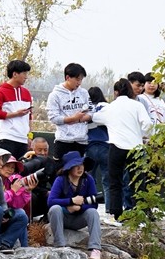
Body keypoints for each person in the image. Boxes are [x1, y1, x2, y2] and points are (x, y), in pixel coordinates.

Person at [97, 78, 153, 219]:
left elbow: (95, 118)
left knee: (115, 182)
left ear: (116, 92)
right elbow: (148, 125)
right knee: (138, 183)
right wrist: (142, 134)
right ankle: (140, 215)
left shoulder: (109, 108)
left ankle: (117, 215)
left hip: (116, 147)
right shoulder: (137, 106)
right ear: (129, 90)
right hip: (136, 148)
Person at [47, 150, 103, 259]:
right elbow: (51, 201)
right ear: (68, 168)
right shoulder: (60, 180)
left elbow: (94, 204)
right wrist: (70, 202)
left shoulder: (88, 179)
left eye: (81, 165)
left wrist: (80, 207)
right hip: (63, 218)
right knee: (55, 209)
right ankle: (60, 245)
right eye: (75, 166)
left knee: (93, 213)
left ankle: (95, 248)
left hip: (79, 219)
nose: (80, 168)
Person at [47, 63, 93, 165]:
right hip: (63, 141)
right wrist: (72, 118)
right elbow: (53, 118)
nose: (79, 82)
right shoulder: (55, 95)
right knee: (61, 173)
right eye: (77, 79)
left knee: (79, 173)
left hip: (81, 141)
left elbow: (91, 111)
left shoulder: (84, 93)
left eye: (81, 79)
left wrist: (81, 119)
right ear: (68, 77)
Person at [0, 59, 33, 159]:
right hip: (7, 138)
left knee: (21, 171)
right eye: (24, 73)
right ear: (15, 74)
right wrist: (16, 114)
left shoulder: (26, 93)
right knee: (6, 169)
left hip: (23, 139)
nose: (26, 77)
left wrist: (29, 136)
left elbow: (30, 116)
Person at [85, 86, 111, 179]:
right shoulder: (107, 106)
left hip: (89, 144)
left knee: (88, 178)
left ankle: (90, 194)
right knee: (107, 180)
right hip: (105, 145)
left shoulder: (86, 107)